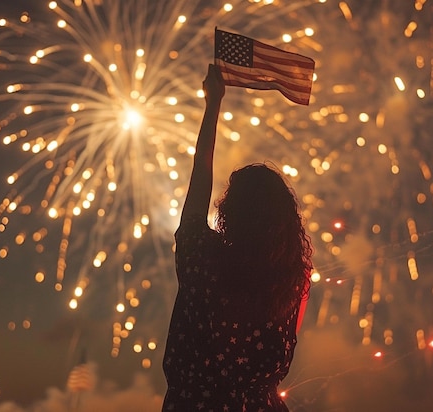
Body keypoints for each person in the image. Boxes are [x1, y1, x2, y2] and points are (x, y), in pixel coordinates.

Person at [162, 64, 313, 411]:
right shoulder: (291, 284)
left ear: (231, 211)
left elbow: (198, 183)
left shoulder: (204, 260)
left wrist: (212, 105)